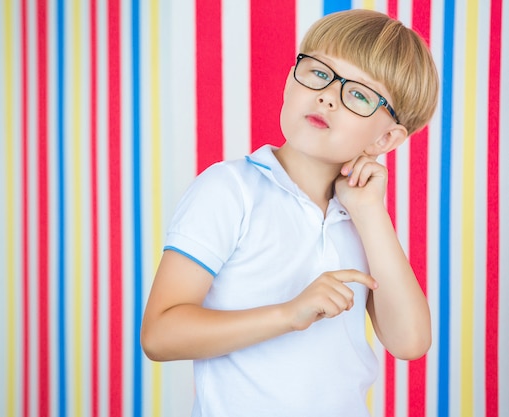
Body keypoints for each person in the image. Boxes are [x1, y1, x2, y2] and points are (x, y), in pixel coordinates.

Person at [141, 8, 438, 417]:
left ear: (386, 139)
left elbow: (410, 341)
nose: (328, 95)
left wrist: (371, 214)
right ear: (290, 80)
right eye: (319, 72)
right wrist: (287, 314)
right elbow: (160, 334)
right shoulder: (230, 190)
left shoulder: (362, 218)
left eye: (359, 94)